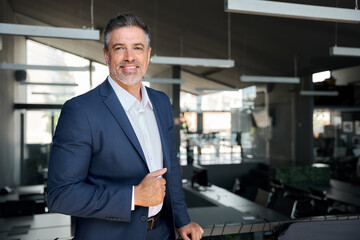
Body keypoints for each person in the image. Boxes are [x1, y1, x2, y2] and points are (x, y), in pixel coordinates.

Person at [46, 13, 203, 240]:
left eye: (138, 48)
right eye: (119, 48)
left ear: (148, 55)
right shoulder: (80, 111)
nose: (130, 57)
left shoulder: (161, 103)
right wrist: (133, 196)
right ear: (106, 56)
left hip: (162, 233)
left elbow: (171, 169)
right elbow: (60, 195)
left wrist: (182, 220)